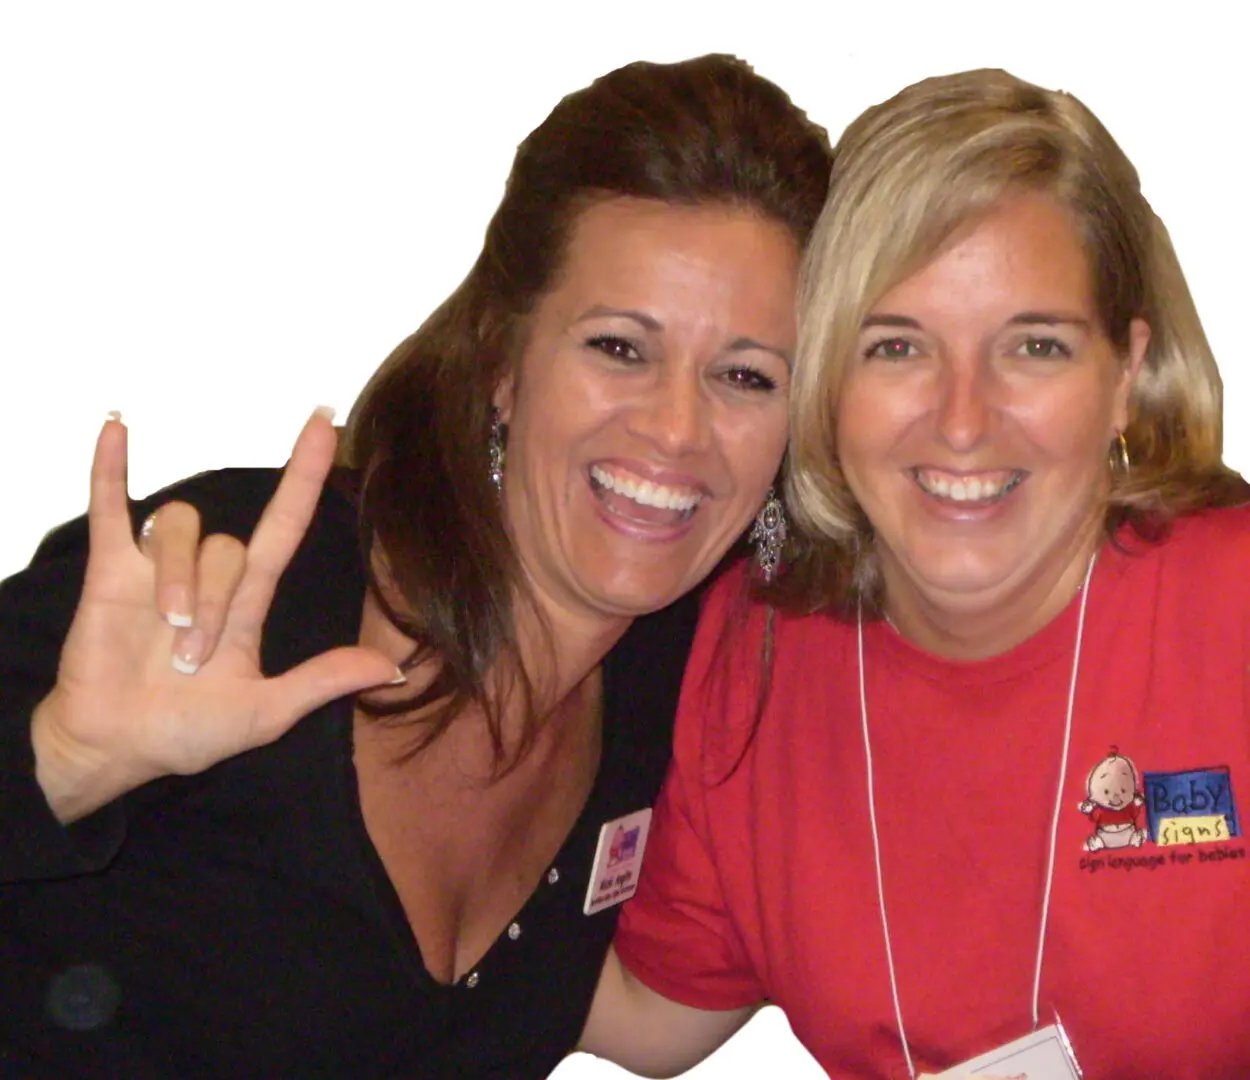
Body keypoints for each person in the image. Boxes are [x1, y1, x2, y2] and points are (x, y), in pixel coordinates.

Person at [0, 55, 832, 1077]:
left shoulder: (673, 685)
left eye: (745, 375)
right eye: (618, 348)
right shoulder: (247, 577)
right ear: (500, 361)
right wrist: (64, 760)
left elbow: (639, 1012)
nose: (675, 427)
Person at [582, 69, 1250, 1079]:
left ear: (1123, 376)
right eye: (896, 347)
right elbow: (638, 1018)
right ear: (823, 383)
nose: (961, 418)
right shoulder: (753, 651)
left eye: (1032, 345)